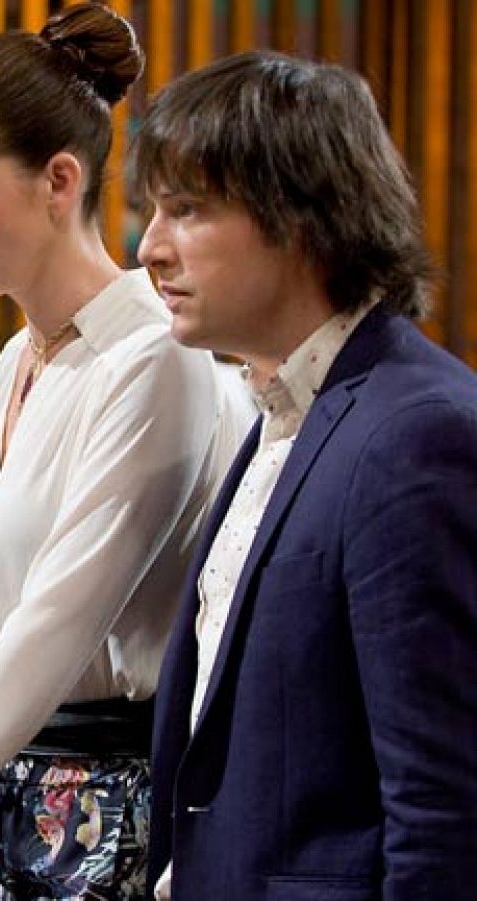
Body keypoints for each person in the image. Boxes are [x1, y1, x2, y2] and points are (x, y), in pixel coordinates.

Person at [0, 6, 252, 899]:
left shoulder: (155, 355)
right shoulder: (20, 353)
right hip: (17, 794)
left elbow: (59, 624)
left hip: (112, 807)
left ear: (59, 180)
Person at [131, 51, 477, 900]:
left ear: (299, 216)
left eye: (185, 211)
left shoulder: (415, 433)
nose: (148, 248)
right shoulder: (282, 410)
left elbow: (443, 807)